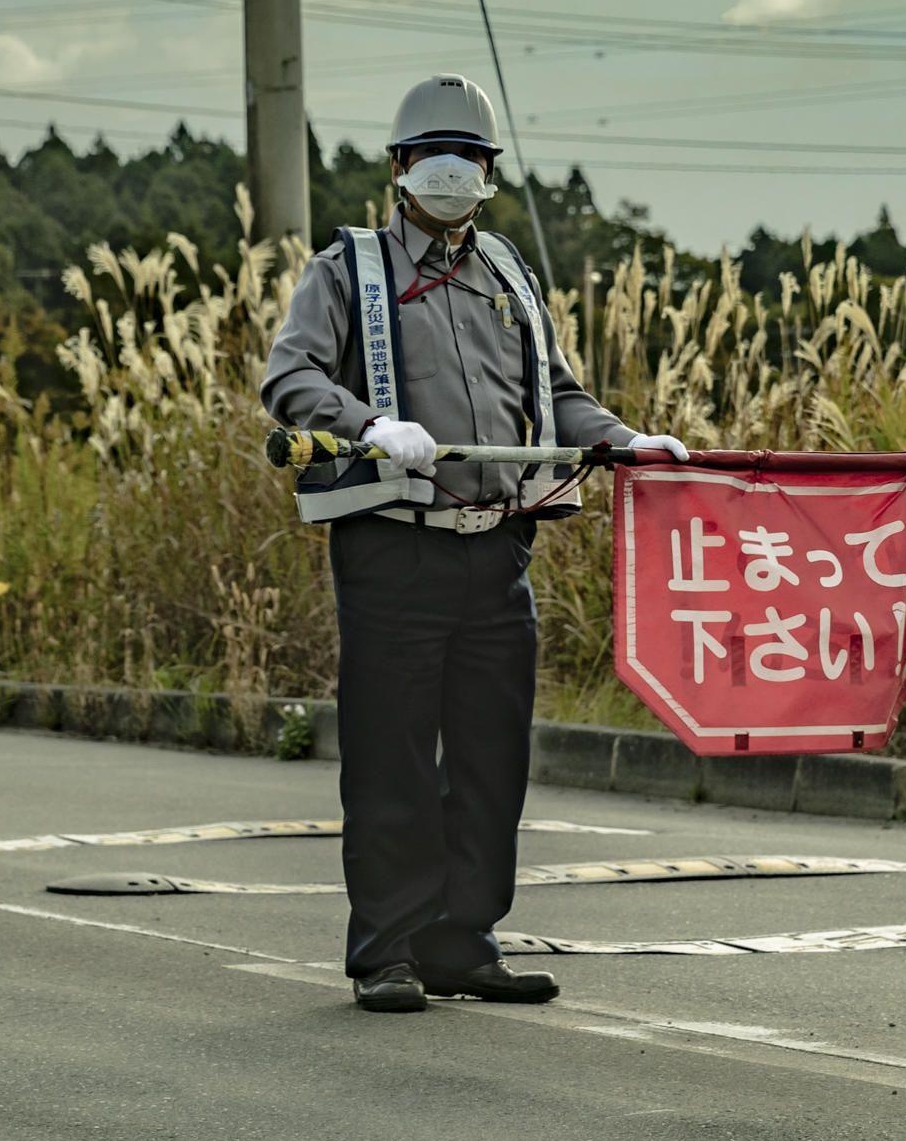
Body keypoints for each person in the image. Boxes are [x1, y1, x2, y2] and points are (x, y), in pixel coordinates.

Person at [261, 73, 689, 1013]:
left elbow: (557, 396)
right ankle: (388, 952)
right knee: (395, 756)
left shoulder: (507, 273)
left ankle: (464, 941)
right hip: (394, 546)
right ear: (401, 167)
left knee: (494, 757)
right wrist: (370, 422)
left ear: (489, 173)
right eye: (433, 156)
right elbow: (289, 379)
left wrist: (623, 438)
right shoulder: (349, 269)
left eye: (469, 157)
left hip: (500, 549)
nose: (451, 171)